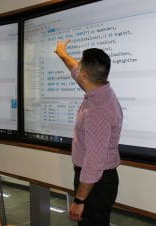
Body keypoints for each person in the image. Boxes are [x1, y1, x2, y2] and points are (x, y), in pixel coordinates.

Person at [55, 40, 123, 226]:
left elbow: (94, 163)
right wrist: (62, 53)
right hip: (96, 180)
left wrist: (79, 201)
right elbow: (75, 69)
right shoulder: (101, 88)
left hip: (96, 184)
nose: (77, 64)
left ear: (85, 74)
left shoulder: (98, 111)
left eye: (81, 64)